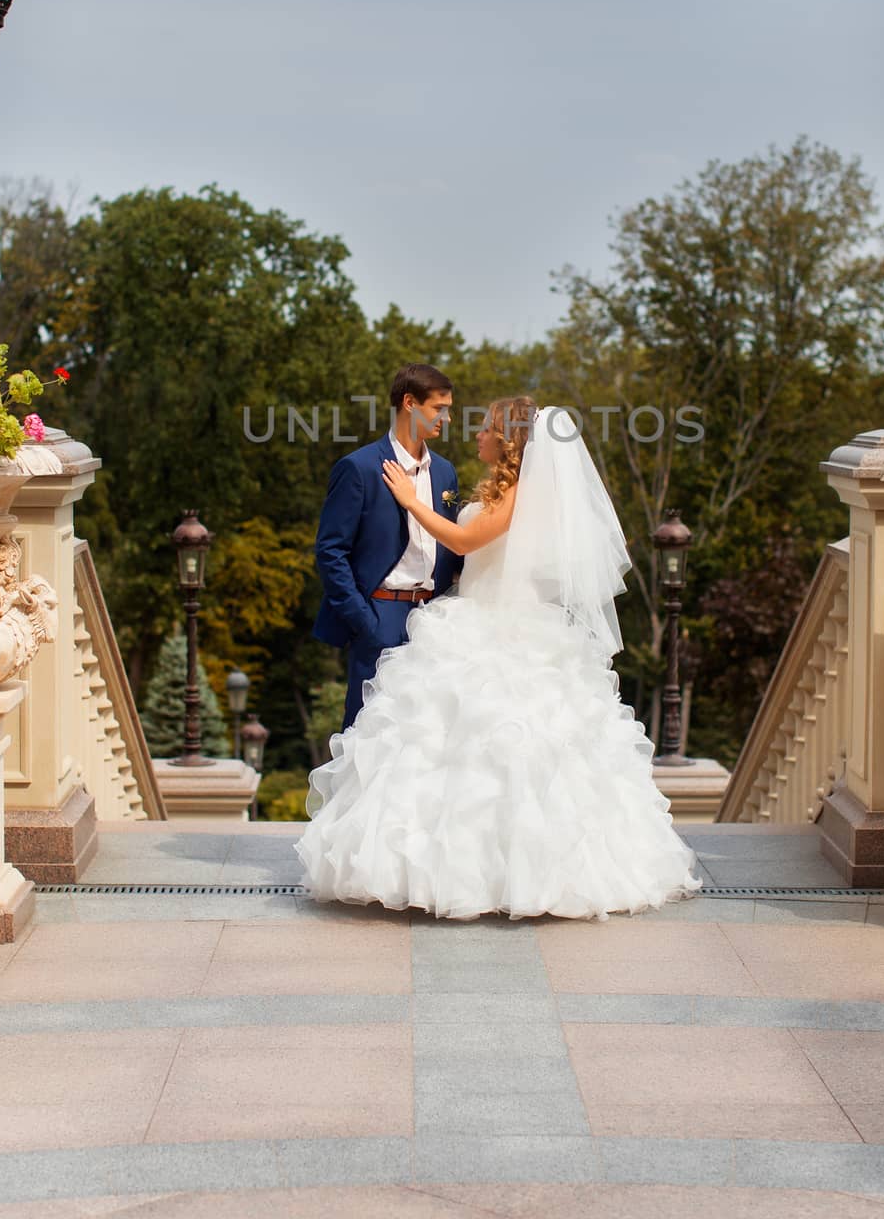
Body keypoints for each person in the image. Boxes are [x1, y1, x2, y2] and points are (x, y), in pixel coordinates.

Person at [295, 395, 704, 921]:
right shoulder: (505, 488)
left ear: (509, 441)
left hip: (504, 628)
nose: (477, 436)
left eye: (487, 429)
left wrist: (409, 501)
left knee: (504, 757)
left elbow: (466, 539)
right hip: (472, 615)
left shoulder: (522, 491)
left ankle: (509, 877)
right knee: (447, 753)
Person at [313, 364, 463, 733]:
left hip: (435, 622)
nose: (447, 417)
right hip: (381, 615)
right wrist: (366, 622)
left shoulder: (445, 473)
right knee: (368, 737)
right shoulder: (359, 468)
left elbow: (452, 545)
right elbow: (330, 552)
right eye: (438, 408)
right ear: (409, 403)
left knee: (430, 738)